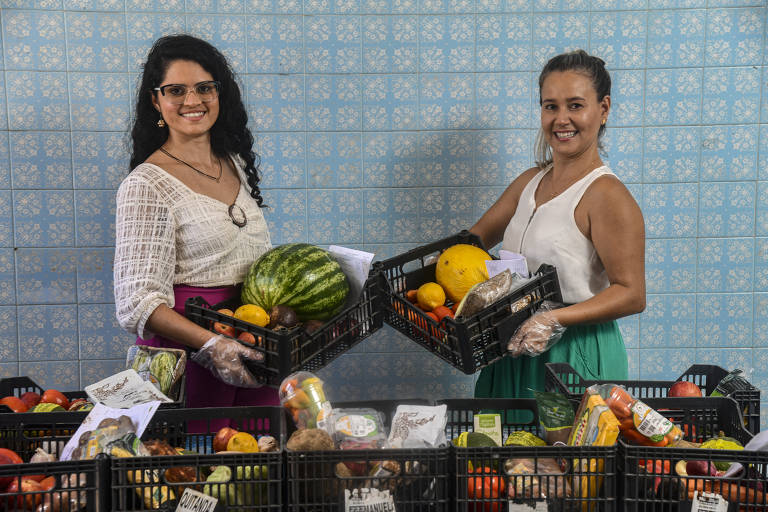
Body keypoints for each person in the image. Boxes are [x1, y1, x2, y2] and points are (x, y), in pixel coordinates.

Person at [470, 50, 646, 401]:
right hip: (511, 347)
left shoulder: (606, 195)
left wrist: (553, 319)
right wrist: (439, 269)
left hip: (573, 353)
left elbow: (632, 293)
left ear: (604, 109)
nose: (561, 119)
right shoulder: (530, 182)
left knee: (565, 456)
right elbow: (473, 240)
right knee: (502, 453)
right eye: (550, 106)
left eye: (575, 105)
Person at [113, 34, 278, 409]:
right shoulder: (146, 184)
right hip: (185, 357)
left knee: (261, 455)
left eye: (205, 88)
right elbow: (136, 304)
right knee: (197, 460)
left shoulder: (232, 162)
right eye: (175, 90)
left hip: (252, 344)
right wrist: (211, 344)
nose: (192, 101)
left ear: (220, 94)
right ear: (156, 100)